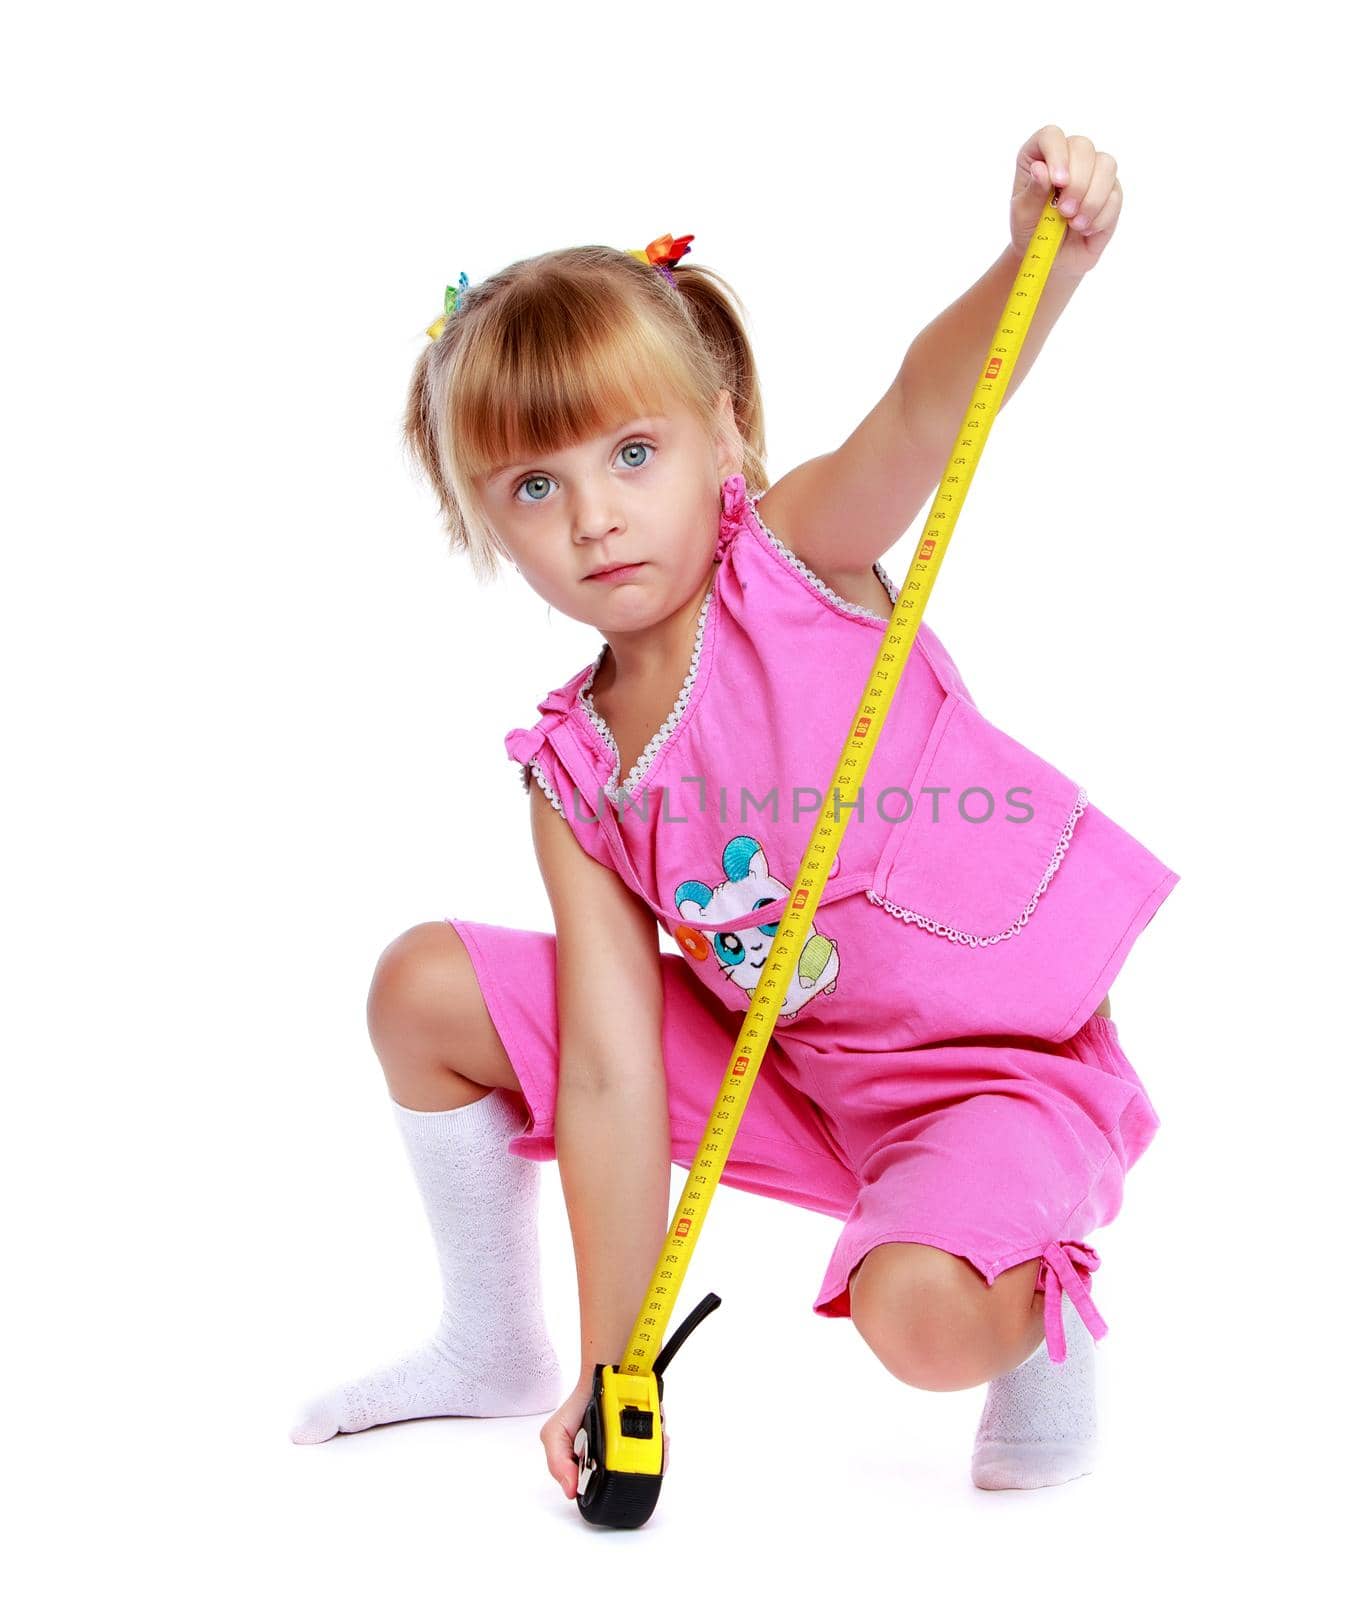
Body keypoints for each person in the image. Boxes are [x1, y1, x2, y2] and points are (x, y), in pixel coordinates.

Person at [291, 131, 1179, 1496]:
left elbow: (924, 412)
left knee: (922, 1322)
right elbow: (605, 1069)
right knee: (421, 988)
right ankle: (494, 1341)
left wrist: (1038, 262)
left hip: (994, 1081)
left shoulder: (800, 562)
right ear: (484, 523)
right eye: (535, 488)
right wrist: (613, 1365)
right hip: (799, 1076)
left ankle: (1028, 1281)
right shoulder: (572, 768)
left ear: (724, 435)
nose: (594, 518)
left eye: (632, 453)